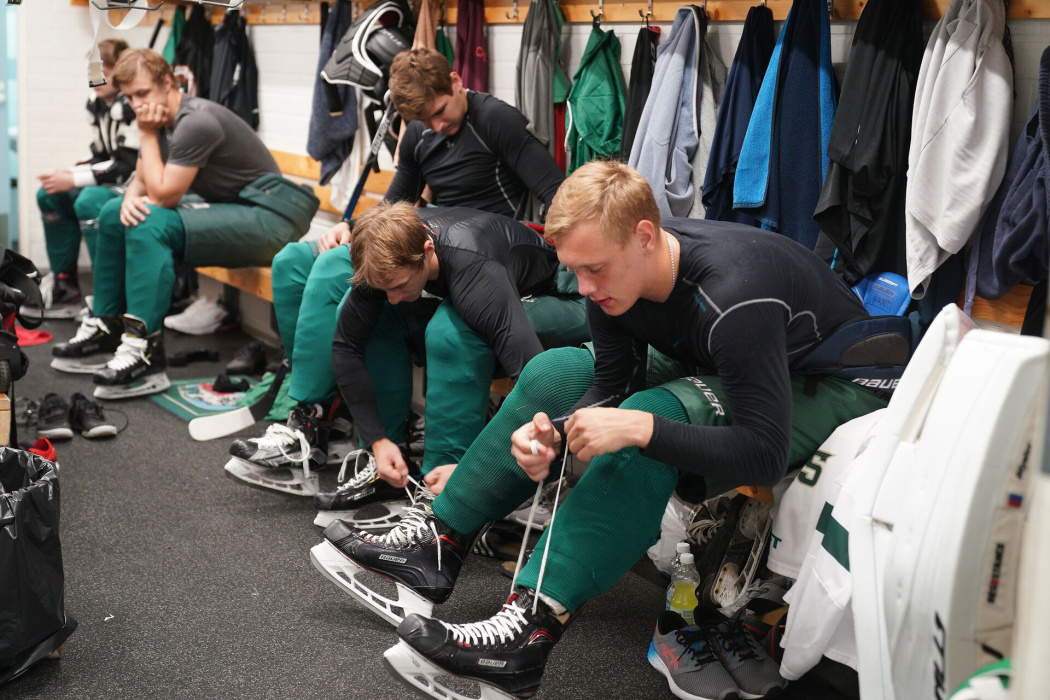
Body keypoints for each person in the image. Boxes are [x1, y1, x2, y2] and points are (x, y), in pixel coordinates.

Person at [310, 161, 891, 700]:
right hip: (721, 357)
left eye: (594, 270)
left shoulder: (734, 297)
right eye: (573, 271)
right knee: (552, 371)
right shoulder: (615, 273)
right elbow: (609, 385)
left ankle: (527, 633)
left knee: (654, 418)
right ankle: (439, 540)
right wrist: (556, 436)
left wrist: (640, 426)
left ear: (643, 236)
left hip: (831, 379)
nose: (584, 288)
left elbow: (763, 455)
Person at [245, 47, 566, 473]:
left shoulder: (494, 120)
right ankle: (312, 416)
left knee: (332, 276)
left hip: (474, 251)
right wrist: (355, 227)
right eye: (425, 121)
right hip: (418, 234)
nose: (436, 125)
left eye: (440, 112)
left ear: (455, 81)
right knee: (293, 261)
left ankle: (318, 415)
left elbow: (556, 190)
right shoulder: (418, 132)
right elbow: (399, 198)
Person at [228, 202, 589, 513]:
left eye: (401, 286)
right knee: (379, 316)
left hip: (565, 295)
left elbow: (532, 377)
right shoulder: (389, 265)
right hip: (475, 284)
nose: (395, 296)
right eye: (387, 288)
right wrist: (377, 440)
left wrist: (492, 471)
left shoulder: (477, 274)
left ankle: (452, 483)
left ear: (427, 250)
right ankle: (389, 465)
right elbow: (347, 346)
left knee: (451, 329)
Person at [50, 48, 319, 399]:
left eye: (143, 93)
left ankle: (144, 347)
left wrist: (145, 135)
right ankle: (107, 323)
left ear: (168, 83)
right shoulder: (162, 119)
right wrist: (130, 196)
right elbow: (143, 183)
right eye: (130, 97)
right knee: (113, 213)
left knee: (151, 222)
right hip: (236, 209)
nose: (137, 105)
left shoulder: (195, 122)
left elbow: (162, 198)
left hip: (272, 218)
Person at [34, 38, 138, 318]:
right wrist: (69, 174)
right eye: (94, 68)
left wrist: (76, 179)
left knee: (89, 200)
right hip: (115, 181)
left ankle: (109, 300)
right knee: (50, 192)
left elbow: (126, 166)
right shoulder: (98, 104)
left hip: (138, 186)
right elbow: (101, 156)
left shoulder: (132, 102)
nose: (98, 75)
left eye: (107, 67)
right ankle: (64, 284)